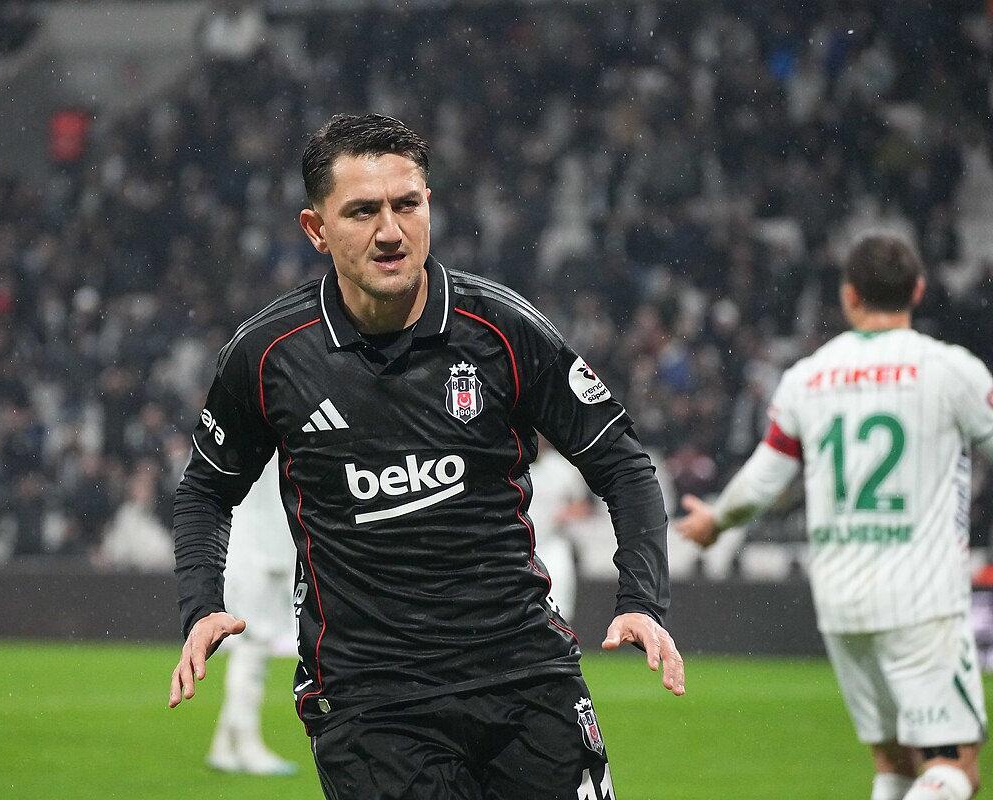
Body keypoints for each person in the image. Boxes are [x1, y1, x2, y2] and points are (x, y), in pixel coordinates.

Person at [169, 113, 684, 800]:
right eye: (362, 212)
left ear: (429, 207)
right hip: (368, 701)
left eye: (406, 204)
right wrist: (202, 604)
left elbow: (622, 462)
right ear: (315, 229)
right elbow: (205, 490)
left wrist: (642, 599)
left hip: (524, 678)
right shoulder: (270, 355)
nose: (390, 231)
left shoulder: (500, 329)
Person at [678, 234, 989, 800]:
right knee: (952, 768)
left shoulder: (809, 377)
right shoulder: (951, 371)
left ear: (849, 296)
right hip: (921, 597)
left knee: (894, 763)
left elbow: (765, 479)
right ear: (918, 291)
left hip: (842, 600)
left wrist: (716, 521)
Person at [205, 455, 298, 776]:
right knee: (252, 647)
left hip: (261, 549)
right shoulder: (263, 439)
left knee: (253, 648)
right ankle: (247, 745)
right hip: (258, 552)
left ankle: (223, 746)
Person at [529, 437, 594, 623]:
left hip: (552, 544)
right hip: (516, 545)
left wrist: (567, 513)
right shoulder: (507, 461)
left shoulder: (561, 467)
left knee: (558, 607)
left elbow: (584, 504)